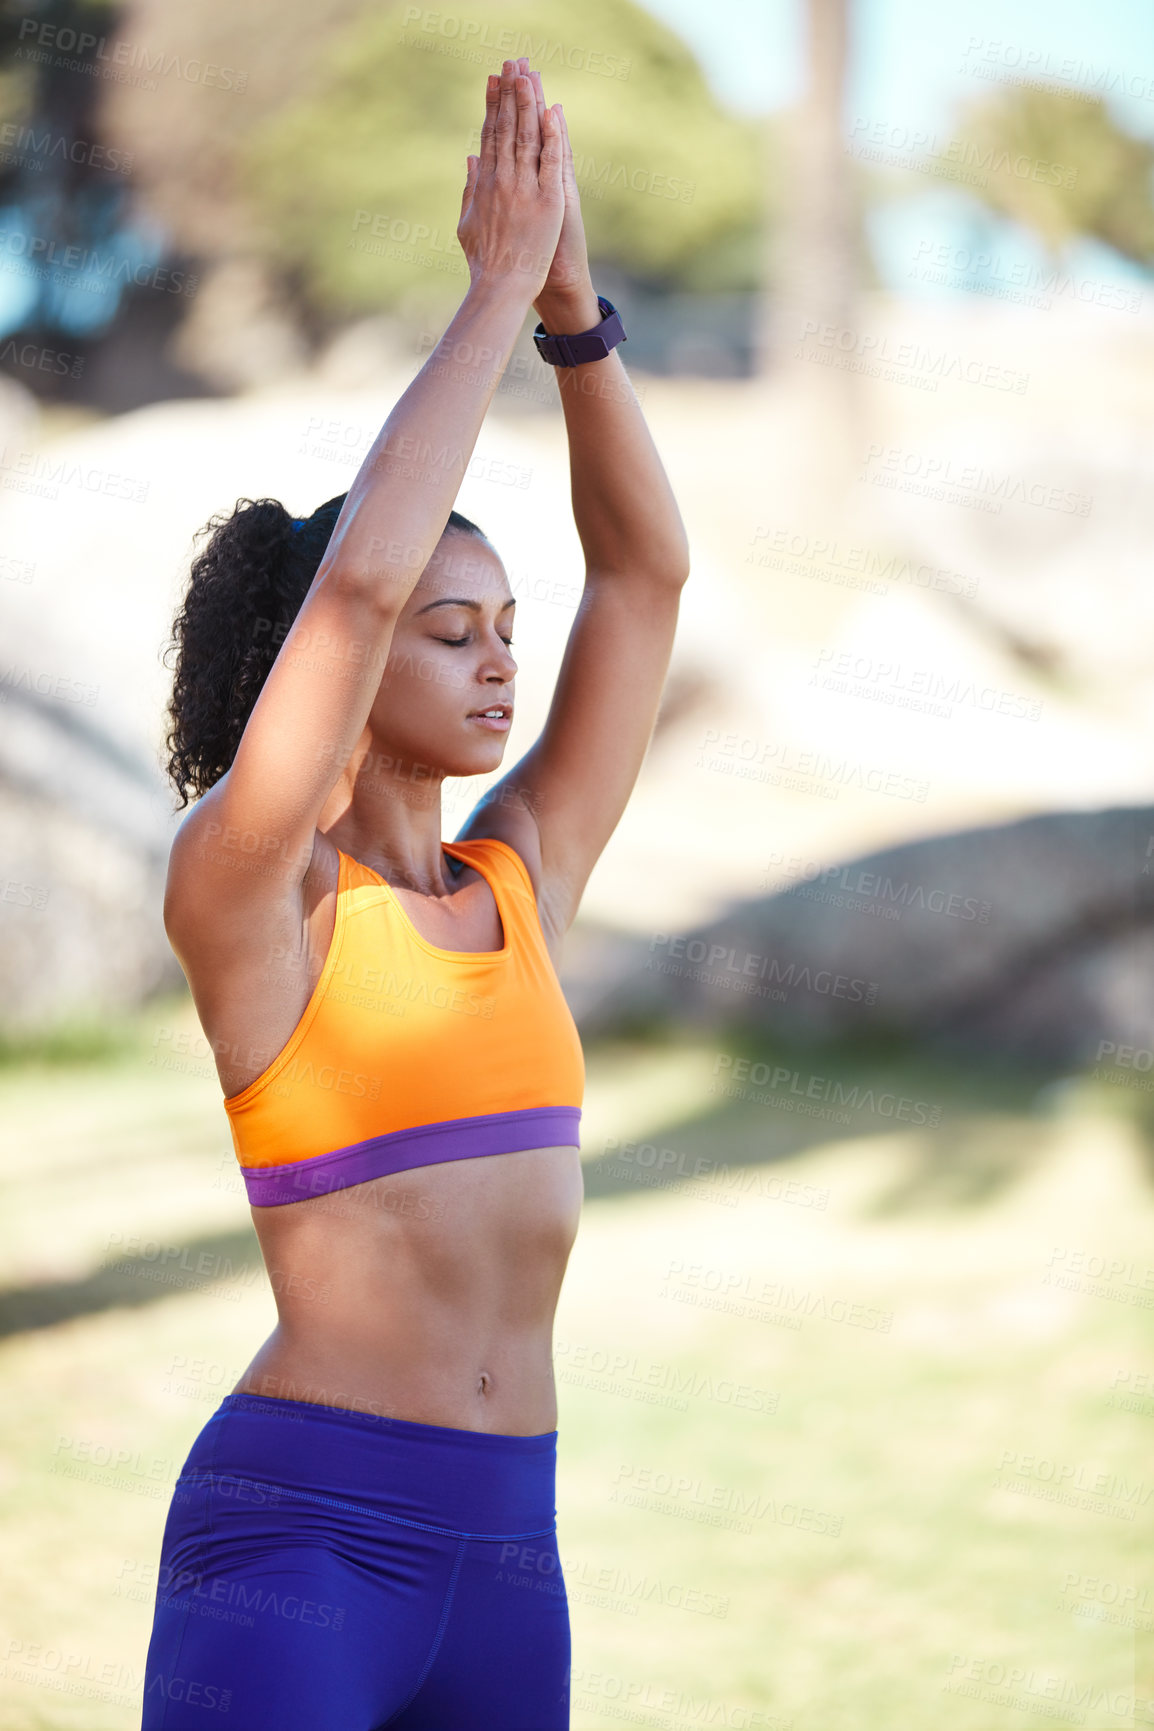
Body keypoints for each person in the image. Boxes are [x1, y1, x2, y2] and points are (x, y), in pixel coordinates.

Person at [140, 55, 689, 1731]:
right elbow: (363, 576)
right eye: (453, 634)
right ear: (348, 664)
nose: (496, 661)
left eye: (506, 628)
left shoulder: (522, 881)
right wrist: (491, 293)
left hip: (508, 1556)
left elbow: (647, 577)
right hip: (300, 1544)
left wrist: (575, 318)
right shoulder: (251, 895)